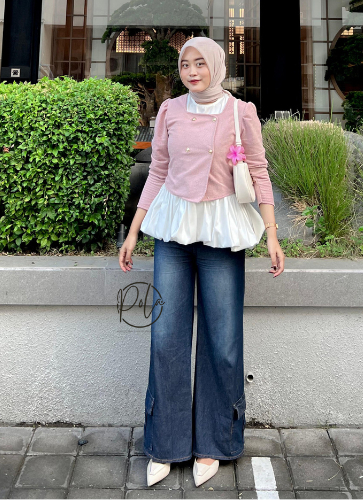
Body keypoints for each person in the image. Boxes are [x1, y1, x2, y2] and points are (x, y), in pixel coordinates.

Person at [118, 36, 285, 488]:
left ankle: (214, 441)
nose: (192, 71)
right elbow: (157, 171)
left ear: (216, 65)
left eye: (200, 63)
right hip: (173, 233)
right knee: (165, 338)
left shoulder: (240, 112)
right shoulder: (170, 110)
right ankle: (166, 443)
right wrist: (134, 231)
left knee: (222, 341)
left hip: (222, 234)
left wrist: (271, 234)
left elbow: (258, 170)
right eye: (185, 64)